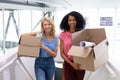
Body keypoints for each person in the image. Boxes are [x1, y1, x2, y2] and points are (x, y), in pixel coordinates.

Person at [59, 11, 86, 80]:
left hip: (80, 63)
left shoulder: (82, 33)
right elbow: (62, 54)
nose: (72, 22)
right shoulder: (63, 35)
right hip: (68, 63)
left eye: (74, 20)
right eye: (70, 20)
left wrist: (105, 43)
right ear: (67, 22)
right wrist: (72, 64)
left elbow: (91, 45)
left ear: (78, 21)